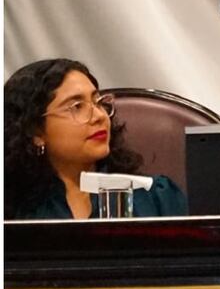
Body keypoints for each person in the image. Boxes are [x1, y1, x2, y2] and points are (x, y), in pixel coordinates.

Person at [4, 58, 187, 219]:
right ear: (35, 131)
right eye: (77, 106)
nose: (99, 116)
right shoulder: (13, 209)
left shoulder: (155, 198)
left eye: (98, 102)